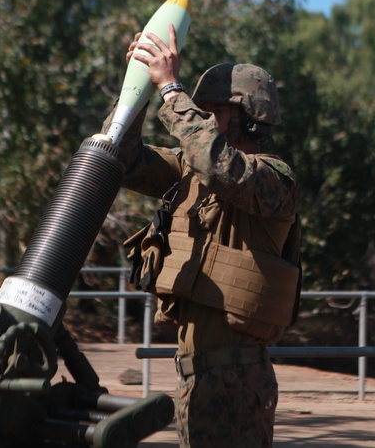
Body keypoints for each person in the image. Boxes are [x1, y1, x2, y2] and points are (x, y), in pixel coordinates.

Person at [105, 24, 301, 448]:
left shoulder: (274, 180)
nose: (206, 117)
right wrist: (136, 91)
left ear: (249, 116)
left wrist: (172, 92)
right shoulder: (191, 169)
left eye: (217, 110)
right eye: (203, 108)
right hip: (195, 376)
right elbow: (123, 156)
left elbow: (222, 167)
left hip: (239, 379)